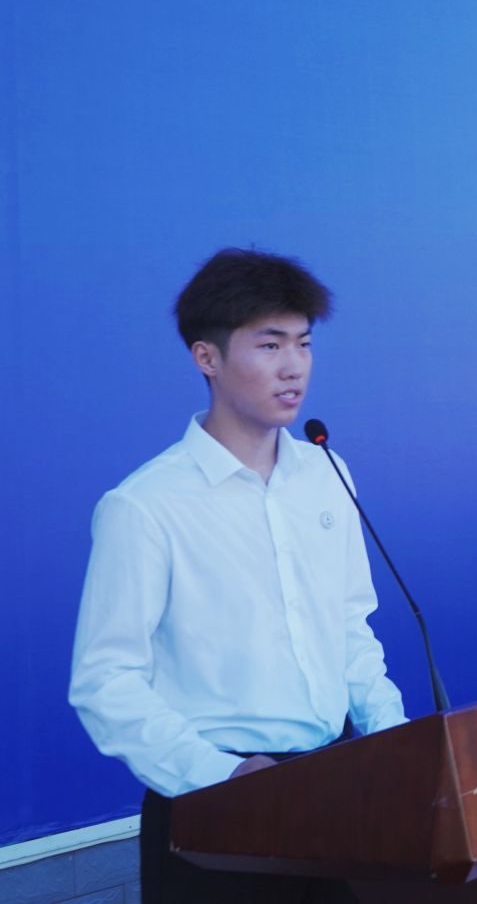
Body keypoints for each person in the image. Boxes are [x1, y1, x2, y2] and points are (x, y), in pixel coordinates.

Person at [69, 249, 408, 904]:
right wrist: (219, 775)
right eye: (270, 344)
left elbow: (348, 626)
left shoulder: (327, 474)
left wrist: (394, 743)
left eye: (304, 343)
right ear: (207, 357)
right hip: (213, 807)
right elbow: (104, 681)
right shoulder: (145, 505)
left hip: (337, 789)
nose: (294, 365)